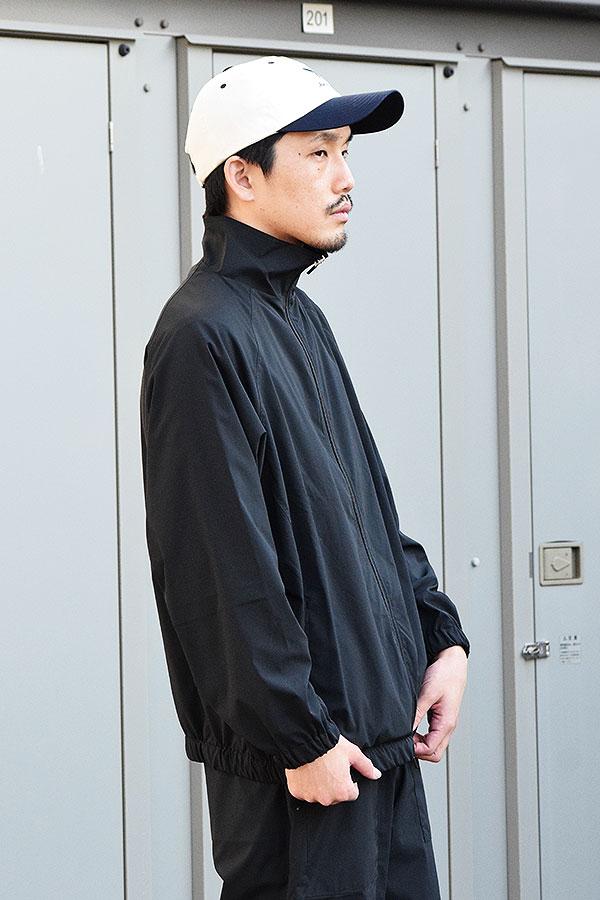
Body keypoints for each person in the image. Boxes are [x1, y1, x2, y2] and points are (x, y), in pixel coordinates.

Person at [140, 55, 470, 899]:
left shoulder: (297, 317)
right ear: (242, 176)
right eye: (318, 153)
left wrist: (440, 637)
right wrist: (300, 738)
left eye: (345, 152)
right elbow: (220, 574)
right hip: (308, 773)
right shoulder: (201, 337)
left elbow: (366, 509)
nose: (345, 178)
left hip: (377, 748)